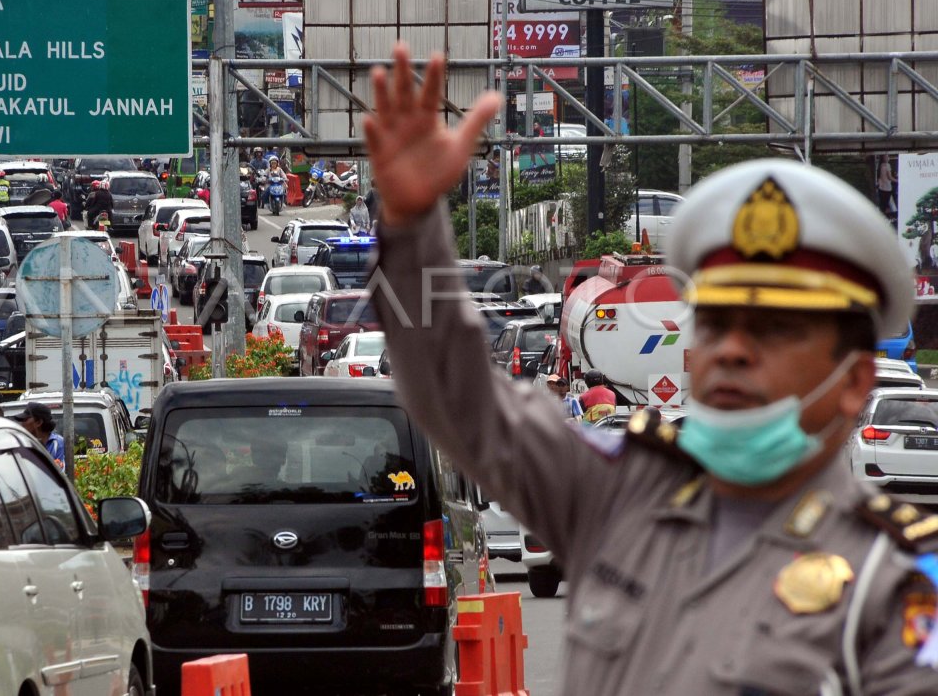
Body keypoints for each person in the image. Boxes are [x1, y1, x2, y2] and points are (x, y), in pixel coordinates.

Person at [362, 42, 938, 693]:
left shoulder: (896, 584)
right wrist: (412, 229)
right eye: (715, 322)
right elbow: (457, 397)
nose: (731, 349)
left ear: (855, 381)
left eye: (774, 330)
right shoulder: (621, 489)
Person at [16, 402, 65, 470]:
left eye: (25, 420)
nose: (22, 424)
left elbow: (60, 472)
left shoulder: (57, 443)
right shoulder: (21, 443)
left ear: (38, 422)